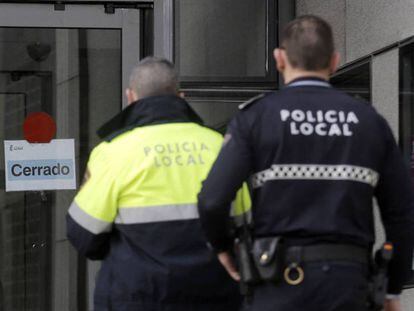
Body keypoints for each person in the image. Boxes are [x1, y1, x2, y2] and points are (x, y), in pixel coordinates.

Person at [197, 15, 414, 311]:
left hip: (276, 282)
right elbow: (401, 213)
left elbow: (212, 200)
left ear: (279, 59)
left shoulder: (256, 118)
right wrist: (391, 289)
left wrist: (224, 249)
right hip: (348, 285)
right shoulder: (369, 122)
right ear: (334, 61)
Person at [66, 57, 245, 311]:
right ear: (181, 96)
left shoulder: (113, 151)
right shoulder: (219, 145)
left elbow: (83, 234)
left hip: (137, 295)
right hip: (215, 293)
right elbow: (245, 223)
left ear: (131, 97)